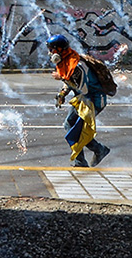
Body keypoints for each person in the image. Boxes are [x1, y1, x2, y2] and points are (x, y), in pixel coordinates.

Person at [47, 34, 111, 167]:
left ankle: (93, 153)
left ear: (59, 50)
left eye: (52, 49)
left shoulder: (76, 66)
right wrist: (62, 94)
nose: (50, 53)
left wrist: (62, 78)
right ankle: (93, 153)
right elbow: (68, 81)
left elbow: (83, 88)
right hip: (83, 99)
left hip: (93, 100)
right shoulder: (66, 62)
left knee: (74, 127)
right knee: (72, 126)